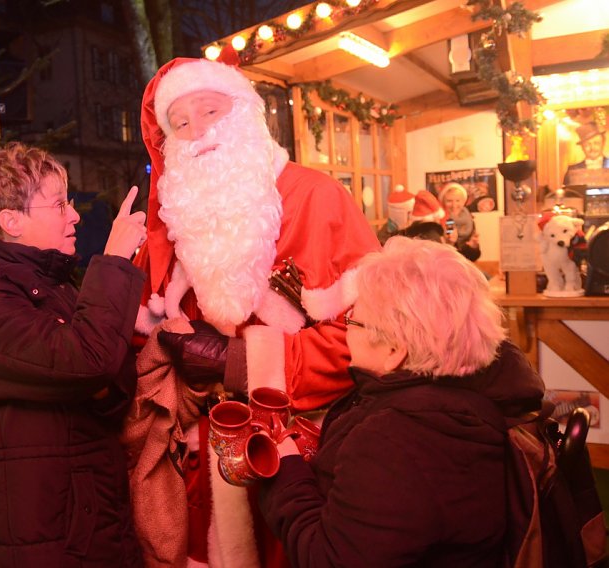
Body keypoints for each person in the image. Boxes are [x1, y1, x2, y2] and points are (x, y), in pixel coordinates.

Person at [126, 51, 380, 567]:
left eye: (211, 111)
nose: (197, 130)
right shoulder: (175, 226)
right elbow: (139, 341)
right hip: (207, 470)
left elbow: (375, 342)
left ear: (245, 111)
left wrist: (239, 363)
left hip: (307, 463)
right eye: (180, 122)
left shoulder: (316, 198)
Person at [259, 236, 546, 567]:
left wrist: (286, 473)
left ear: (395, 351)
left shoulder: (398, 440)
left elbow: (330, 559)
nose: (346, 324)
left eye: (353, 317)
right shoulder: (463, 398)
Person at [0, 143, 146, 567]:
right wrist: (116, 259)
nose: (75, 215)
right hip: (33, 534)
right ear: (11, 221)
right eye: (59, 204)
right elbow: (88, 361)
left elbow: (110, 382)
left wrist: (98, 383)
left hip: (82, 523)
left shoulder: (53, 287)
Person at [438, 182, 481, 262]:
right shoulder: (441, 220)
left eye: (458, 200)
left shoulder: (469, 218)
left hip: (466, 264)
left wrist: (473, 247)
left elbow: (473, 257)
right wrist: (450, 243)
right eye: (449, 201)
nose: (454, 205)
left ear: (463, 201)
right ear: (443, 202)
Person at [563, 121, 609, 186]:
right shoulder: (572, 170)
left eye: (596, 143)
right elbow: (569, 193)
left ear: (603, 143)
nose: (592, 148)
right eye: (587, 144)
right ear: (582, 147)